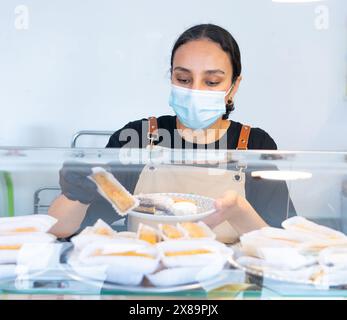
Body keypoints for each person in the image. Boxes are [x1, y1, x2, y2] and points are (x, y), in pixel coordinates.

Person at [48, 24, 295, 240]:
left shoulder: (254, 144)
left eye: (211, 82)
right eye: (184, 79)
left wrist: (238, 211)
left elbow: (279, 244)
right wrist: (76, 193)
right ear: (172, 78)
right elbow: (62, 230)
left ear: (233, 86)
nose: (195, 90)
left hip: (225, 287)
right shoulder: (138, 137)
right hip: (147, 283)